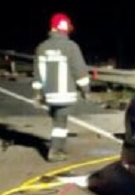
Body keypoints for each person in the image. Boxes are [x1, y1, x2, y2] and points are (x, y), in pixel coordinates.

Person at [31, 12, 91, 162]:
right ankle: (55, 151)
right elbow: (79, 70)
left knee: (57, 121)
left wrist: (37, 93)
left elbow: (37, 73)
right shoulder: (71, 47)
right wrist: (85, 89)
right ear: (65, 28)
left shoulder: (42, 47)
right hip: (65, 94)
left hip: (49, 95)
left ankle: (57, 147)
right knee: (60, 123)